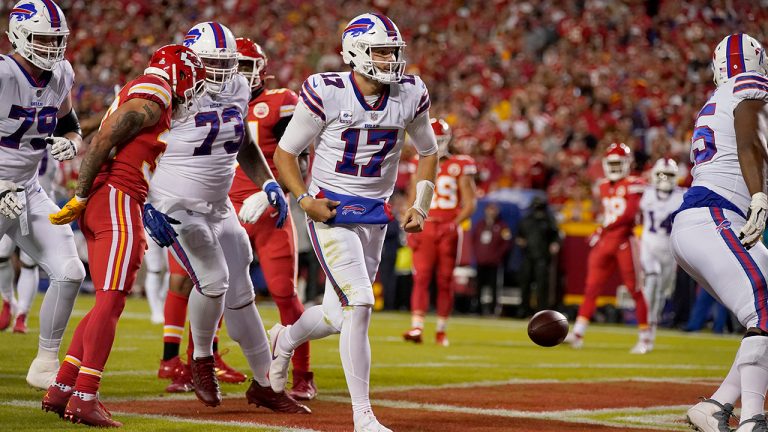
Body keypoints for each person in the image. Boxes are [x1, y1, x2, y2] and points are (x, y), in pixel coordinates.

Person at [270, 12, 439, 432]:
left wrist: (421, 204)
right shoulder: (327, 91)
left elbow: (429, 150)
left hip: (375, 214)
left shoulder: (410, 92)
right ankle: (362, 415)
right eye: (382, 51)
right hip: (331, 209)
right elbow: (285, 153)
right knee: (360, 302)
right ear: (355, 52)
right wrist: (305, 199)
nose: (391, 61)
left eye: (393, 52)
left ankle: (284, 339)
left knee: (335, 316)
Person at [41, 44, 207, 427]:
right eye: (193, 77)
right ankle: (85, 397)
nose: (197, 87)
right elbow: (103, 138)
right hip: (117, 197)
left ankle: (63, 388)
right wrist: (81, 194)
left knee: (107, 302)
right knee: (113, 300)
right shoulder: (157, 91)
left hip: (114, 197)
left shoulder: (153, 91)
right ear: (178, 72)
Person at [148, 22, 308, 413]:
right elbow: (128, 146)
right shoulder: (168, 87)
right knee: (214, 280)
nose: (222, 71)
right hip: (176, 205)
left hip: (219, 206)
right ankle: (201, 358)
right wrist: (143, 202)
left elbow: (244, 144)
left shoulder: (236, 87)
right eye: (212, 62)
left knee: (242, 295)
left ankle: (264, 384)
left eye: (227, 62)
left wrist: (269, 184)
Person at [671, 33, 768, 432]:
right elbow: (749, 143)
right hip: (715, 216)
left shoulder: (719, 97)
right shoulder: (751, 86)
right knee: (762, 308)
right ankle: (753, 420)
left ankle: (717, 406)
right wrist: (759, 195)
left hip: (708, 221)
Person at [1, 0, 86, 389]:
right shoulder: (3, 74)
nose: (52, 48)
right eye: (42, 39)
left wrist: (72, 141)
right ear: (19, 36)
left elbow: (69, 122)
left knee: (69, 271)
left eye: (57, 40)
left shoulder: (61, 73)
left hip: (28, 188)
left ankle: (45, 362)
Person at [228, 37, 317, 400]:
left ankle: (303, 374)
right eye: (236, 66)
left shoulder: (280, 102)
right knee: (213, 287)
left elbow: (300, 159)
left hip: (269, 210)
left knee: (284, 292)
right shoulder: (213, 103)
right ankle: (202, 363)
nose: (241, 75)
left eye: (248, 66)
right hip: (225, 211)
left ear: (262, 69)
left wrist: (268, 192)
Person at [565, 142, 651, 353]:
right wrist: (603, 228)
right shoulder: (603, 185)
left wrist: (603, 227)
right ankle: (578, 333)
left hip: (624, 240)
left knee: (635, 289)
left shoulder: (634, 183)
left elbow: (629, 214)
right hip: (606, 241)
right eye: (611, 163)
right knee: (591, 288)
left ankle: (645, 338)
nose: (614, 168)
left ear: (627, 164)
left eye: (618, 163)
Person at [403, 118, 476, 346]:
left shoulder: (459, 164)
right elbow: (412, 197)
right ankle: (417, 327)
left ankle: (441, 330)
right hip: (425, 224)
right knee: (421, 277)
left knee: (445, 280)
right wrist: (408, 224)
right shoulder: (418, 162)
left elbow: (470, 202)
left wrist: (455, 223)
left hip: (447, 226)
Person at [0, 150, 59, 333]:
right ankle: (8, 301)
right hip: (8, 200)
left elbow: (77, 130)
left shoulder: (51, 134)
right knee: (1, 256)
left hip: (39, 206)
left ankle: (22, 314)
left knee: (29, 263)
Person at [639, 157, 684, 351]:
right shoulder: (645, 192)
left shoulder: (682, 195)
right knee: (652, 282)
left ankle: (652, 328)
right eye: (662, 174)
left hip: (669, 250)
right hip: (648, 245)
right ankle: (646, 333)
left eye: (669, 175)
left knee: (662, 293)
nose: (665, 178)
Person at [516, 196, 560, 317]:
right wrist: (521, 241)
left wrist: (555, 244)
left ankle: (541, 311)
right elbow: (519, 235)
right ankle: (524, 310)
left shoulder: (549, 220)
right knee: (525, 284)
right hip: (528, 255)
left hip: (542, 256)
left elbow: (556, 236)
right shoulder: (526, 220)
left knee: (542, 285)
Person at [471, 202, 512, 315]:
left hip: (494, 262)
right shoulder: (480, 225)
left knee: (494, 287)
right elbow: (473, 240)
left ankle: (493, 309)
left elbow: (506, 243)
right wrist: (477, 255)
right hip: (481, 261)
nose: (491, 212)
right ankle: (478, 308)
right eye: (490, 210)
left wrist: (498, 256)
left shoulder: (502, 226)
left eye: (493, 210)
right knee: (478, 286)